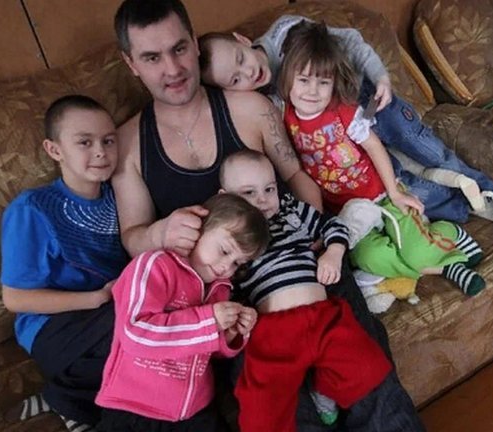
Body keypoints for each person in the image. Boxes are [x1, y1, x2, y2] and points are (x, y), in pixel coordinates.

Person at [112, 1, 423, 430]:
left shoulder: (249, 108)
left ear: (194, 43)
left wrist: (316, 241)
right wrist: (160, 232)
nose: (172, 68)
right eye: (151, 57)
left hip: (300, 257)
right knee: (278, 416)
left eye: (179, 49)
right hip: (230, 293)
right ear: (131, 63)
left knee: (374, 384)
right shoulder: (128, 144)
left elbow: (298, 178)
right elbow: (132, 236)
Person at [197, 16, 493, 224]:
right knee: (399, 179)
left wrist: (381, 78)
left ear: (242, 40)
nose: (248, 73)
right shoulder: (269, 101)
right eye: (235, 80)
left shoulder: (287, 32)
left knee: (426, 148)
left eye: (240, 59)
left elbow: (350, 41)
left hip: (369, 99)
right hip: (343, 138)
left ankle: (487, 191)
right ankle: (465, 206)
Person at [278, 21, 486, 296]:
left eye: (323, 82)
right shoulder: (283, 113)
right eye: (304, 80)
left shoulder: (344, 112)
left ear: (333, 84)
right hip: (347, 212)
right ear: (288, 78)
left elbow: (375, 146)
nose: (312, 91)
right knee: (369, 258)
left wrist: (395, 193)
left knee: (418, 252)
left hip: (381, 193)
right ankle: (445, 267)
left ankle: (450, 233)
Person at [219, 149, 397, 431]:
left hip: (322, 316)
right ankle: (318, 387)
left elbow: (333, 225)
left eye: (269, 189)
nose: (262, 200)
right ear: (225, 198)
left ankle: (325, 386)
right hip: (273, 329)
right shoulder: (229, 237)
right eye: (248, 193)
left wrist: (334, 253)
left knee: (369, 367)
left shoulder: (291, 211)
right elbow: (219, 277)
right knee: (261, 410)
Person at [0, 95, 129, 431]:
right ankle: (71, 401)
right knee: (132, 331)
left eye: (108, 141)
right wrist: (95, 298)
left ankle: (65, 397)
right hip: (53, 325)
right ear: (54, 150)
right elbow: (15, 298)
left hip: (111, 309)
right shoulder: (32, 209)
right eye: (85, 142)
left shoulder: (122, 195)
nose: (100, 152)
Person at [95, 193, 270, 432]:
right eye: (224, 251)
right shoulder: (155, 264)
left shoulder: (221, 288)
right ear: (198, 229)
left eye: (238, 263)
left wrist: (230, 333)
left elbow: (205, 348)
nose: (226, 268)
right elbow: (135, 333)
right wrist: (209, 321)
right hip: (134, 407)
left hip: (194, 411)